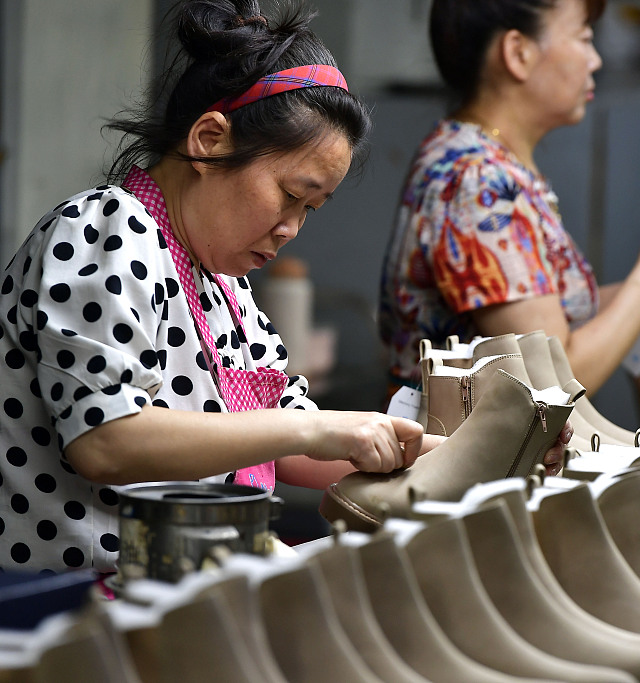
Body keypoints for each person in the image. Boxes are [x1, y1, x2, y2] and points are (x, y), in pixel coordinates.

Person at [0, 0, 572, 575]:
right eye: (290, 195)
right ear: (209, 140)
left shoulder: (223, 285)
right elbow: (105, 441)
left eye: (310, 209)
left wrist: (482, 456)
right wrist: (315, 427)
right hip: (71, 602)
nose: (291, 229)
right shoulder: (105, 229)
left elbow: (295, 445)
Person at [378, 0, 640, 398]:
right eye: (583, 37)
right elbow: (553, 385)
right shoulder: (477, 181)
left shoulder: (482, 160)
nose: (595, 60)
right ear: (518, 53)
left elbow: (564, 323)